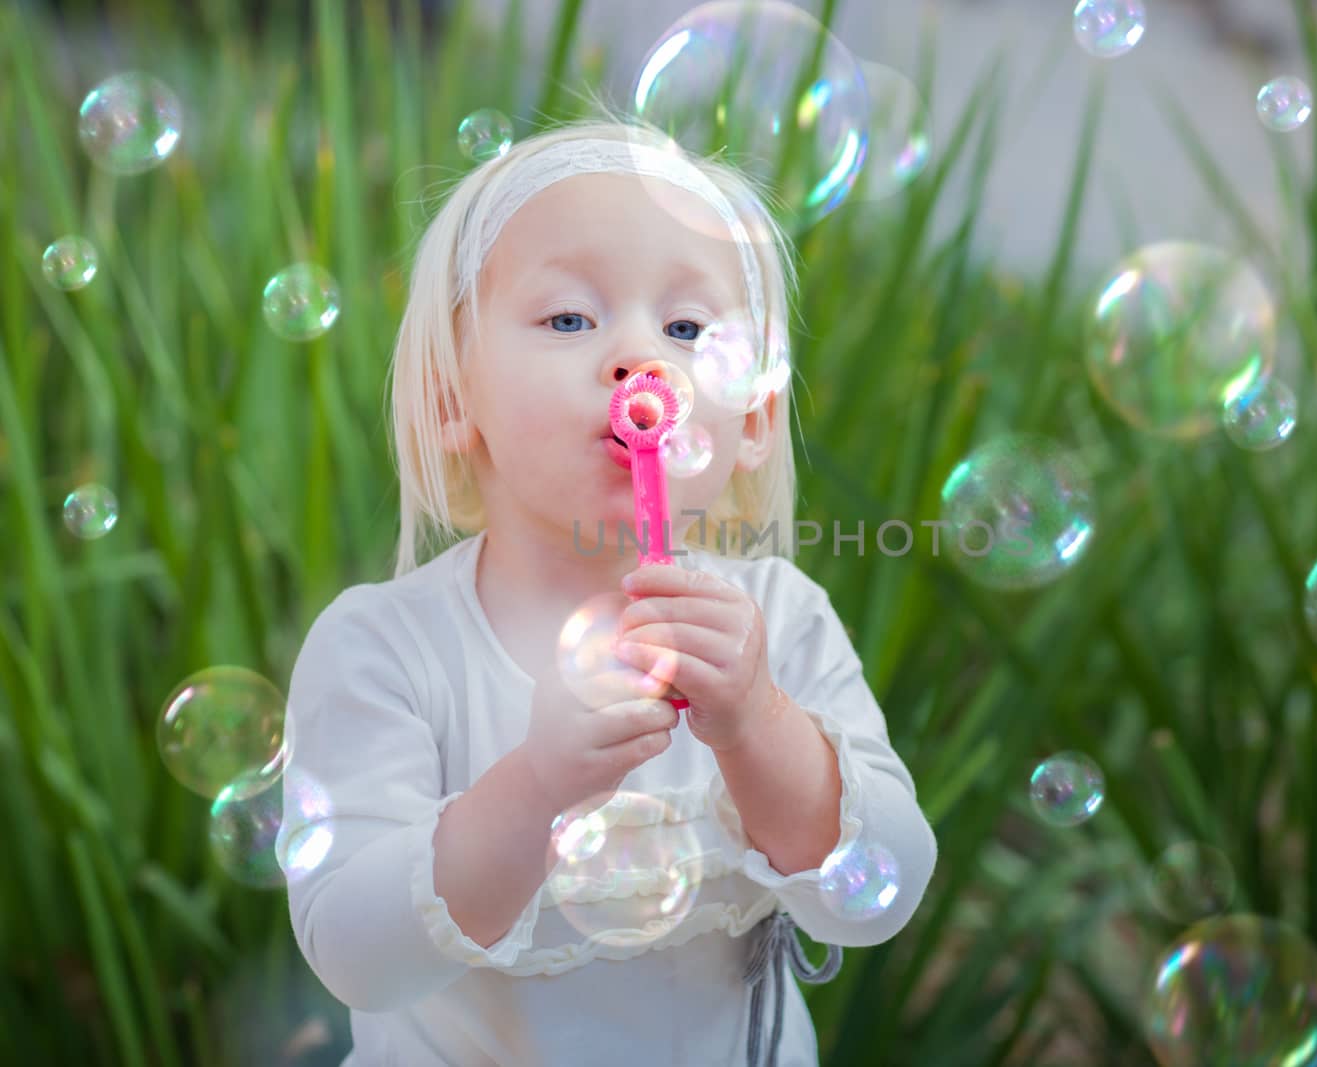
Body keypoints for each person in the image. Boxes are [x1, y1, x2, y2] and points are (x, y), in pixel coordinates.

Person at [273, 109, 939, 1066]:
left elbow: (883, 889)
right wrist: (537, 783)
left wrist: (754, 722)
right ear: (453, 397)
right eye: (570, 318)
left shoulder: (780, 623)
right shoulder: (386, 648)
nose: (639, 357)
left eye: (686, 326)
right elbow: (356, 953)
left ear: (753, 418)